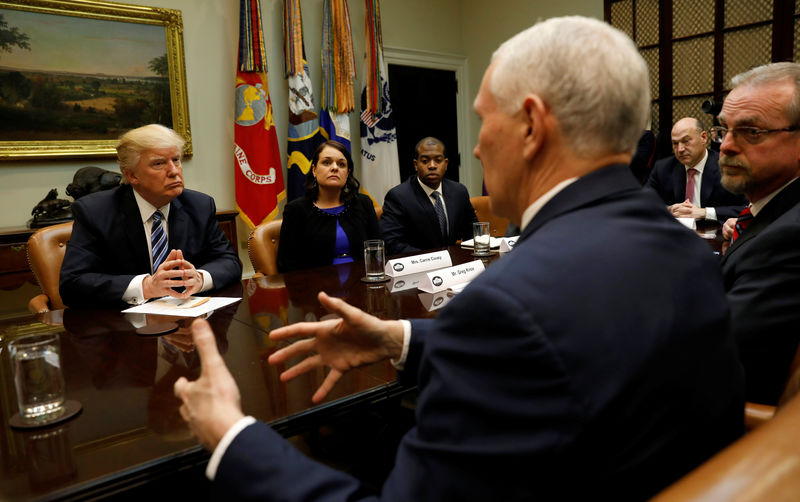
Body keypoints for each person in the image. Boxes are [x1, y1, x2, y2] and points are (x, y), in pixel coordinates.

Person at [174, 17, 744, 500]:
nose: (472, 148)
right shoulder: (689, 250)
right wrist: (402, 339)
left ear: (530, 125)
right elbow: (569, 355)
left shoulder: (506, 305)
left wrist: (230, 436)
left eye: (481, 119)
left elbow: (525, 337)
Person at [59, 124, 241, 309]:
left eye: (176, 160)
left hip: (188, 322)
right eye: (159, 163)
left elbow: (229, 261)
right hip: (124, 327)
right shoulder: (95, 211)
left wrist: (200, 278)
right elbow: (73, 283)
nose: (174, 171)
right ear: (132, 175)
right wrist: (146, 287)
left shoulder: (199, 206)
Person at [716, 62, 800, 406]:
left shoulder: (788, 239)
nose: (726, 146)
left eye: (752, 132)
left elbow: (717, 361)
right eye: (725, 129)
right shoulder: (770, 214)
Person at [277, 140, 380, 272]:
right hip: (316, 287)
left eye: (341, 164)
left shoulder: (363, 203)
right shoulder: (296, 210)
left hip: (363, 280)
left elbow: (378, 250)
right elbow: (287, 265)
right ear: (314, 170)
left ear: (347, 173)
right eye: (326, 162)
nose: (335, 168)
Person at [379, 137, 477, 255]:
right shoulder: (398, 196)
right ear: (416, 165)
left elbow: (473, 231)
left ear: (445, 164)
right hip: (417, 265)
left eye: (438, 160)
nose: (432, 166)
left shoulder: (459, 191)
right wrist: (432, 259)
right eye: (425, 161)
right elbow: (392, 242)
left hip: (454, 265)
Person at [646, 117, 747, 222]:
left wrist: (705, 212)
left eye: (686, 141)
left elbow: (746, 209)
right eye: (675, 143)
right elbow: (643, 204)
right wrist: (669, 210)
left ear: (703, 137)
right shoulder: (663, 168)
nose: (680, 149)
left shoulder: (727, 166)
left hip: (716, 234)